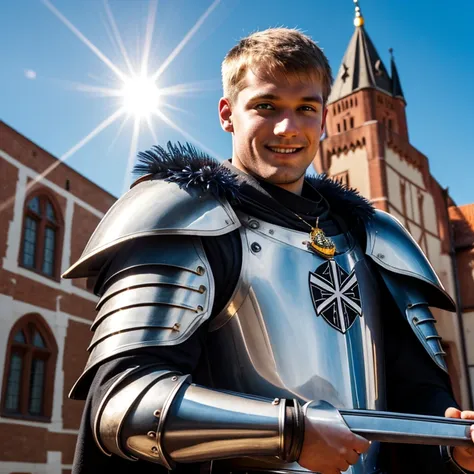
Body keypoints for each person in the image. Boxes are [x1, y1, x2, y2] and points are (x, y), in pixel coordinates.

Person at [63, 28, 474, 474]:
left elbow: (415, 388)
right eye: (266, 106)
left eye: (306, 109)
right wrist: (289, 432)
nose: (288, 128)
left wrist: (450, 442)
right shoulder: (183, 217)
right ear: (227, 113)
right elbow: (124, 401)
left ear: (324, 119)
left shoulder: (375, 238)